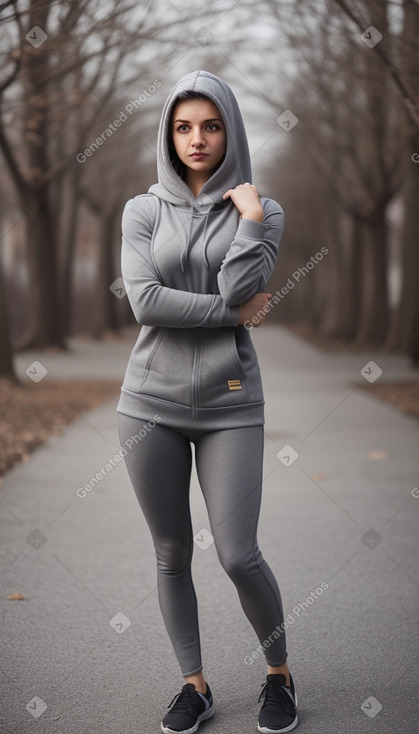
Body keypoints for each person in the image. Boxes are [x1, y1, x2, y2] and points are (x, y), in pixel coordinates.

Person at [117, 69, 298, 734]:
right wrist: (228, 311)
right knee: (169, 552)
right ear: (168, 132)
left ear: (230, 130)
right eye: (183, 126)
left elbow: (242, 281)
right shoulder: (142, 210)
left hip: (230, 404)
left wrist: (247, 221)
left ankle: (278, 675)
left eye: (211, 125)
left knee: (236, 553)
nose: (197, 138)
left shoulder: (264, 208)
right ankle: (193, 686)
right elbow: (146, 301)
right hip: (147, 404)